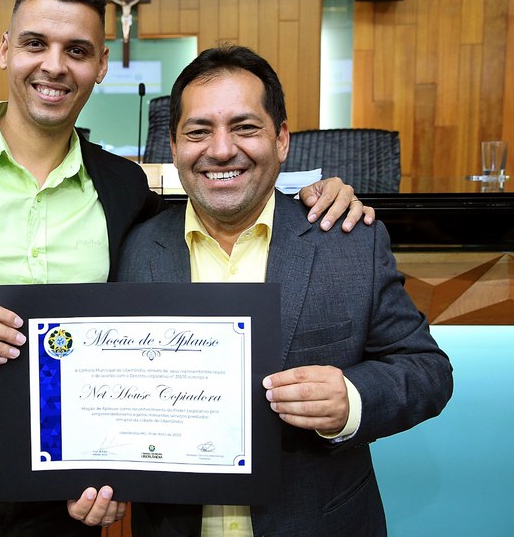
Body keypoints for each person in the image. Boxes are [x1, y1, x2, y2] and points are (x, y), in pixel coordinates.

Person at [0, 0, 372, 537]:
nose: (54, 65)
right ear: (5, 50)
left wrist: (312, 195)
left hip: (68, 496)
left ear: (100, 65)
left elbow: (217, 211)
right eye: (35, 43)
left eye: (76, 50)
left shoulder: (124, 187)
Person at [116, 45, 453, 536]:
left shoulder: (348, 241)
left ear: (281, 140)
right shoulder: (133, 246)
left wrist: (352, 398)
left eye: (245, 127)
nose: (221, 149)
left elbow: (427, 370)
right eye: (198, 131)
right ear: (173, 145)